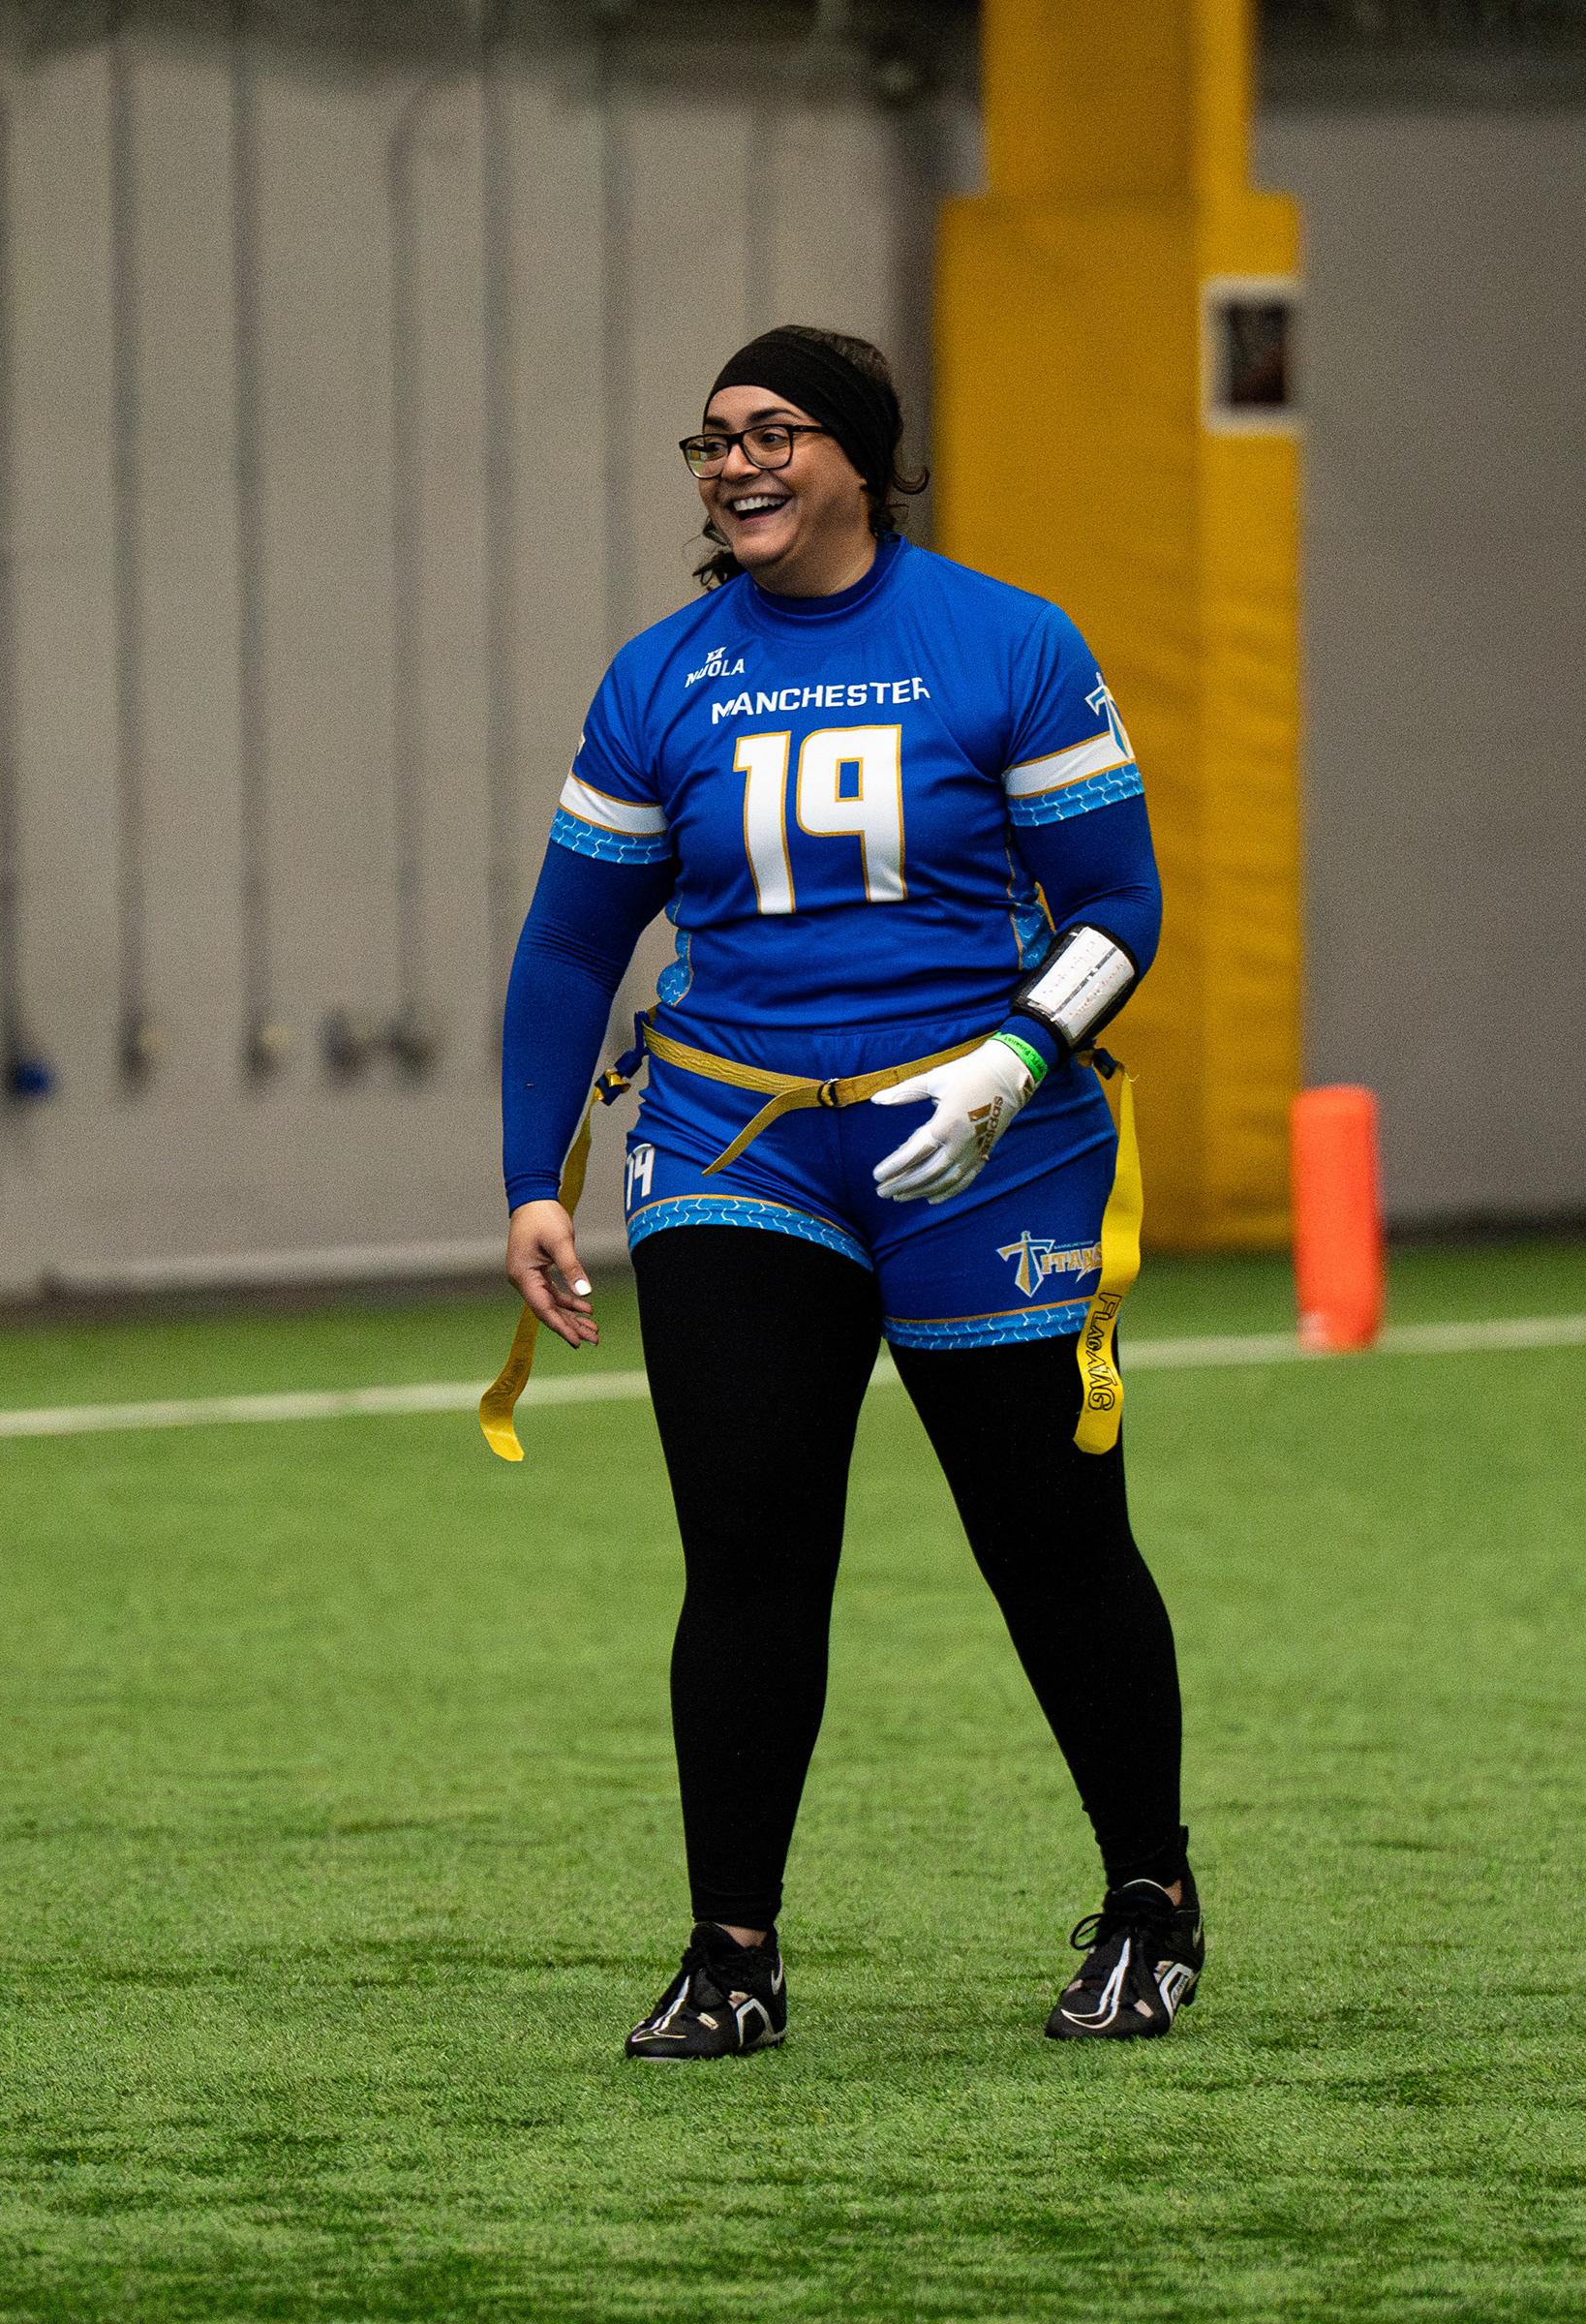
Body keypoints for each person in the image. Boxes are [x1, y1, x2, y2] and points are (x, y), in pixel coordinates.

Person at [501, 324, 1201, 2060]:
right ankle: (731, 1953)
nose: (736, 464)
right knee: (746, 1548)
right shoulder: (662, 679)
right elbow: (574, 942)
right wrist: (530, 1176)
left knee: (1049, 1541)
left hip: (989, 1149)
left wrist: (1014, 1060)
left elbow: (1120, 904)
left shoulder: (1008, 641)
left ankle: (1151, 1898)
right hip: (734, 1147)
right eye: (713, 440)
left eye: (775, 432)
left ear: (864, 459)